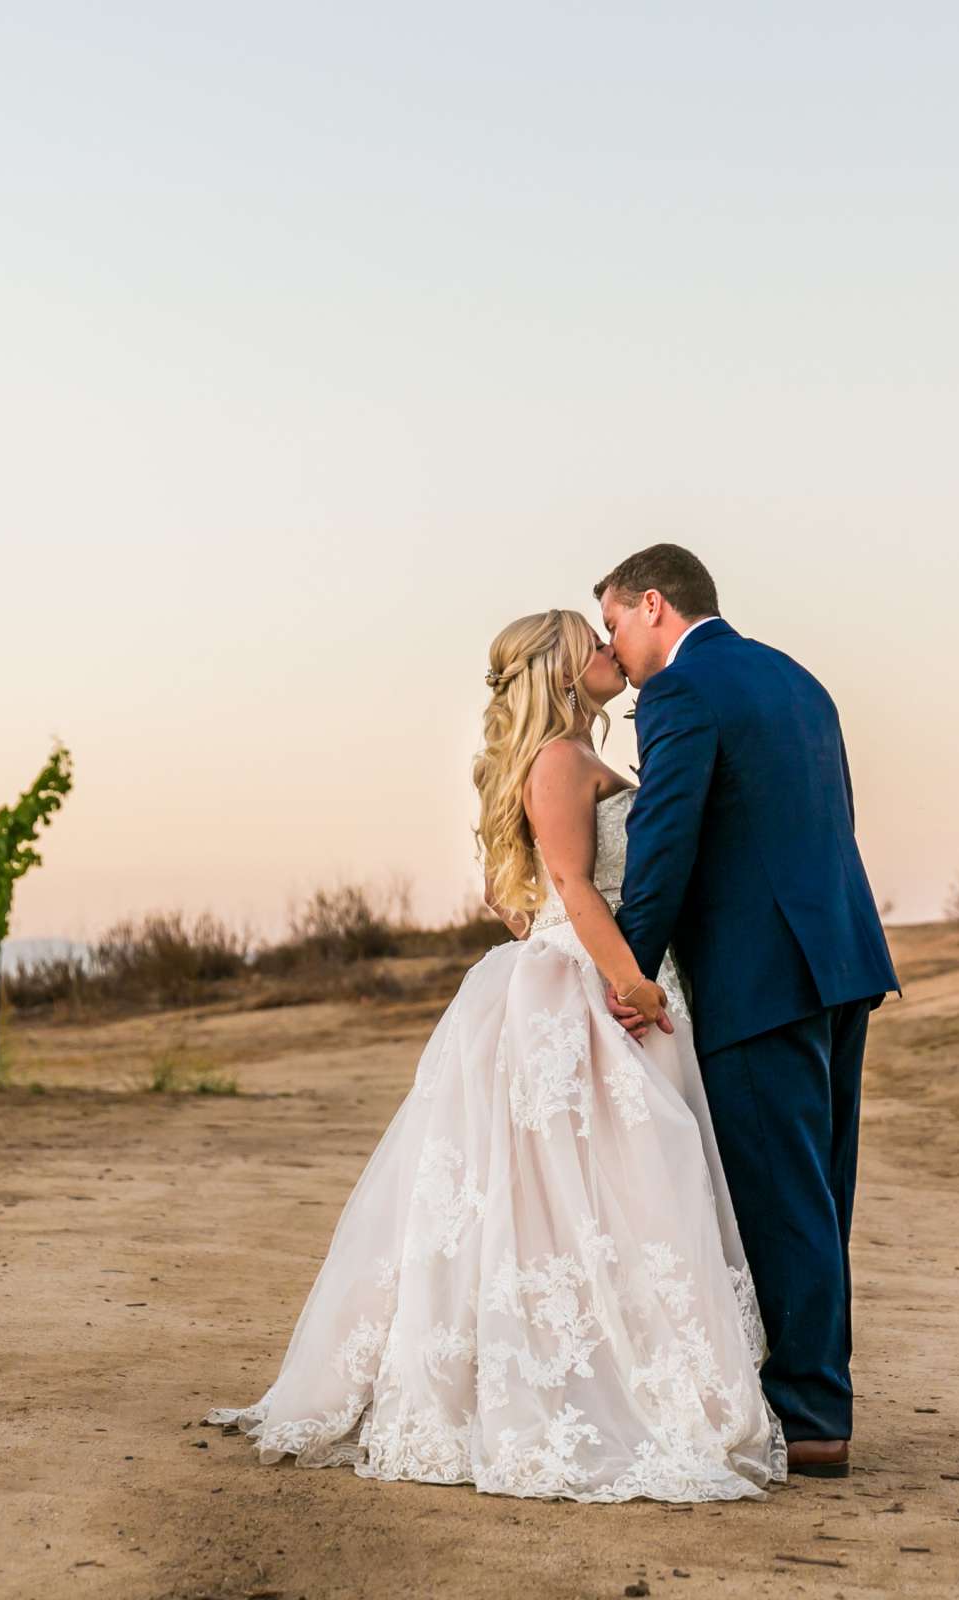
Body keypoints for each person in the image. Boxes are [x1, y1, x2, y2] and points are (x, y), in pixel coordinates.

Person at [204, 607, 786, 1503]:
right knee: (592, 1188)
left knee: (598, 1195)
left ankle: (622, 1367)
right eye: (590, 644)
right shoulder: (559, 761)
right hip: (588, 994)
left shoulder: (570, 760)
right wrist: (631, 983)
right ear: (560, 672)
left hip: (580, 972)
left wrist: (566, 938)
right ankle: (585, 1387)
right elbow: (565, 886)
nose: (607, 649)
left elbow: (508, 896)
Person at [597, 543, 897, 1478]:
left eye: (614, 625)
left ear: (654, 605)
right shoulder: (797, 679)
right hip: (842, 957)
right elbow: (829, 817)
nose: (616, 647)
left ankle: (811, 1419)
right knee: (821, 1189)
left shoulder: (682, 694)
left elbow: (665, 841)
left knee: (780, 1191)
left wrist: (628, 972)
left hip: (760, 975)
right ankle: (816, 1396)